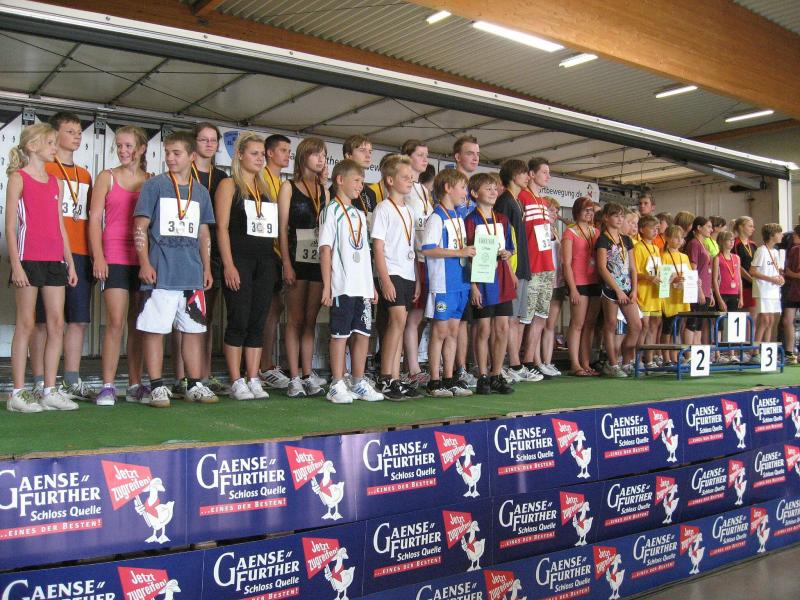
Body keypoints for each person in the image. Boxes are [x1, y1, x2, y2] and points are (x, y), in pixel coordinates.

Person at [133, 130, 218, 408]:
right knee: (155, 329)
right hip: (161, 273)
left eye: (176, 153)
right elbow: (140, 226)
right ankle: (157, 386)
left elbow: (204, 233)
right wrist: (145, 262)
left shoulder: (201, 192)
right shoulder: (155, 185)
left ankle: (194, 384)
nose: (170, 157)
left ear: (192, 156)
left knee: (193, 330)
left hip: (192, 274)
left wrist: (207, 268)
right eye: (167, 152)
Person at [5, 123, 79, 412]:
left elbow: (60, 226)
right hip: (28, 259)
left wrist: (69, 262)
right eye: (50, 143)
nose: (55, 148)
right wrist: (16, 265)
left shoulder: (55, 182)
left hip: (54, 261)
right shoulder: (18, 178)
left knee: (56, 324)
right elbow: (11, 227)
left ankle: (49, 389)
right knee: (25, 323)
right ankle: (17, 393)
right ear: (32, 146)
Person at [29, 112, 95, 402]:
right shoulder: (44, 168)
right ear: (55, 135)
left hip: (80, 252)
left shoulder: (85, 174)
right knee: (43, 321)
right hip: (48, 251)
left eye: (79, 132)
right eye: (70, 131)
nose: (77, 136)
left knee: (78, 320)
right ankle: (40, 381)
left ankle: (71, 379)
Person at [88, 126, 150, 407]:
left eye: (128, 146)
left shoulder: (150, 180)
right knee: (115, 322)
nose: (123, 151)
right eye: (119, 145)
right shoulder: (107, 177)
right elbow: (94, 220)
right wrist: (98, 256)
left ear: (141, 149)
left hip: (141, 259)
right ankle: (108, 386)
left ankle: (135, 384)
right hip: (113, 256)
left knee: (138, 324)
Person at [215, 132, 276, 400]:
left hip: (265, 260)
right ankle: (236, 379)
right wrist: (228, 265)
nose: (260, 158)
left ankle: (253, 377)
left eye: (262, 154)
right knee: (238, 318)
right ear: (239, 155)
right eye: (254, 153)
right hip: (239, 259)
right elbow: (221, 227)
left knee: (258, 320)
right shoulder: (229, 185)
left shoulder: (265, 189)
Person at [171, 122, 229, 398]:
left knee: (204, 316)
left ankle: (203, 375)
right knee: (180, 315)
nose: (209, 144)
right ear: (194, 143)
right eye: (203, 139)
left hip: (210, 251)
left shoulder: (222, 177)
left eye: (213, 140)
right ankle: (180, 376)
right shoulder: (180, 173)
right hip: (181, 249)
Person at [319, 159, 383, 404]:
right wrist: (327, 285)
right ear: (340, 180)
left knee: (363, 334)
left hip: (362, 286)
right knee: (340, 335)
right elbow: (325, 249)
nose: (360, 186)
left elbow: (365, 252)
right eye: (356, 180)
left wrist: (371, 285)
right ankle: (337, 383)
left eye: (362, 181)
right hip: (342, 285)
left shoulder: (359, 214)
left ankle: (358, 381)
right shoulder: (331, 211)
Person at [278, 137, 329, 398]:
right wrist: (286, 263)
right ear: (303, 157)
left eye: (324, 155)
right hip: (296, 259)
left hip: (318, 262)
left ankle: (308, 374)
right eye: (316, 154)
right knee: (295, 319)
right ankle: (294, 377)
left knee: (310, 320)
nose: (321, 159)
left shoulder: (324, 190)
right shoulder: (288, 187)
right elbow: (282, 229)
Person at [422, 168, 476, 397]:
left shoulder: (458, 217)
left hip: (460, 282)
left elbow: (461, 248)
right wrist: (459, 252)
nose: (465, 193)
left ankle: (449, 377)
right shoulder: (437, 217)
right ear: (447, 188)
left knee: (454, 331)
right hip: (443, 283)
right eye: (462, 188)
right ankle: (434, 381)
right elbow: (428, 249)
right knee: (440, 331)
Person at [371, 155, 420, 400]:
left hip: (407, 272)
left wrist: (417, 279)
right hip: (392, 272)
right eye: (405, 177)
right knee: (397, 321)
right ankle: (385, 377)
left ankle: (396, 377)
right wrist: (385, 279)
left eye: (411, 177)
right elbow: (378, 247)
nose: (410, 181)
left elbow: (411, 247)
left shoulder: (409, 210)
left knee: (401, 323)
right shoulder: (383, 208)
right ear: (390, 180)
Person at [465, 173, 515, 394]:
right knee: (483, 328)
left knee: (502, 328)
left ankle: (496, 373)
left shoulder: (502, 219)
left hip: (501, 277)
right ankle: (482, 375)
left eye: (495, 188)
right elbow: (466, 256)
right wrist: (473, 286)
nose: (494, 192)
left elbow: (510, 246)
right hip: (482, 279)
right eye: (488, 188)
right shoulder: (470, 220)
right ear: (475, 193)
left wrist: (507, 253)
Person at [495, 159, 541, 382]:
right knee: (508, 320)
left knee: (515, 319)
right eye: (523, 173)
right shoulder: (505, 201)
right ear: (513, 176)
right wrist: (509, 271)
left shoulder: (516, 202)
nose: (527, 177)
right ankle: (511, 364)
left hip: (520, 267)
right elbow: (502, 240)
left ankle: (513, 364)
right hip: (510, 269)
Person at [259, 133, 292, 389]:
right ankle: (263, 365)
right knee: (268, 309)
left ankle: (265, 363)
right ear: (269, 153)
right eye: (283, 150)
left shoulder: (281, 182)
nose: (287, 155)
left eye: (289, 151)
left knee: (275, 307)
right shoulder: (261, 178)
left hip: (278, 252)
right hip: (265, 252)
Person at [519, 157, 557, 378]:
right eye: (544, 172)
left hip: (547, 266)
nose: (548, 176)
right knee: (524, 317)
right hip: (531, 266)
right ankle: (517, 363)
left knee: (541, 315)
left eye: (549, 172)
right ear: (531, 174)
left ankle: (530, 360)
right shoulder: (523, 197)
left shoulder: (543, 202)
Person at [400, 139, 432, 386]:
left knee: (417, 317)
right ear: (407, 157)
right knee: (408, 317)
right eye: (419, 154)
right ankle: (411, 368)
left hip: (425, 257)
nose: (424, 159)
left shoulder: (423, 189)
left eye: (426, 155)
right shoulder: (405, 187)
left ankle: (412, 367)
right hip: (409, 259)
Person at [596, 202, 640, 377]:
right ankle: (612, 363)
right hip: (610, 289)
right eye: (616, 215)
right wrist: (617, 290)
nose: (620, 219)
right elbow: (602, 268)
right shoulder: (603, 240)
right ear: (606, 218)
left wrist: (634, 290)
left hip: (627, 288)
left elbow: (633, 268)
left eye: (622, 216)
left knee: (636, 325)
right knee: (611, 324)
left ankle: (626, 360)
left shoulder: (626, 240)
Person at [452, 136, 481, 387]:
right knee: (452, 322)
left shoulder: (474, 189)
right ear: (457, 157)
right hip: (452, 263)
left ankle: (462, 367)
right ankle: (450, 370)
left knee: (466, 320)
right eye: (470, 153)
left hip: (473, 261)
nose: (475, 157)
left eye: (477, 153)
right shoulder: (448, 187)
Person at [562, 196, 601, 376]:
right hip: (579, 282)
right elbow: (566, 263)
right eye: (586, 210)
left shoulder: (596, 232)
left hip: (595, 281)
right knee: (577, 324)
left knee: (590, 324)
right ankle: (575, 363)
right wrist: (572, 289)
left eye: (591, 210)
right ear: (577, 211)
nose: (589, 213)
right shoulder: (570, 233)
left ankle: (586, 363)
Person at [750, 223, 785, 355]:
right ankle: (755, 352)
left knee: (771, 321)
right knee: (764, 320)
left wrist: (780, 278)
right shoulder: (761, 251)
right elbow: (753, 271)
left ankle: (766, 351)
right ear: (771, 235)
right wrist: (771, 279)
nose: (782, 235)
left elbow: (775, 271)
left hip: (773, 291)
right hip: (763, 290)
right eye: (779, 233)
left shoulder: (775, 252)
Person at [634, 215, 663, 369]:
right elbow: (634, 273)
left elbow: (660, 271)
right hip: (643, 293)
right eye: (651, 228)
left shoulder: (656, 248)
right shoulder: (638, 248)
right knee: (644, 326)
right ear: (641, 229)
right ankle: (637, 359)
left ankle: (650, 360)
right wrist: (648, 277)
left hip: (655, 293)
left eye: (656, 228)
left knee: (653, 327)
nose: (655, 231)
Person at [660, 225, 691, 366]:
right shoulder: (664, 256)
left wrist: (695, 281)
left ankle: (675, 357)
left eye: (681, 238)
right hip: (669, 298)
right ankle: (666, 358)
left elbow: (689, 275)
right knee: (667, 328)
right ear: (667, 238)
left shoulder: (684, 257)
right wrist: (673, 280)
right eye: (676, 237)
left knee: (677, 329)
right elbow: (662, 279)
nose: (679, 240)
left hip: (682, 297)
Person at [541, 197, 565, 377]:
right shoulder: (540, 229)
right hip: (544, 280)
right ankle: (536, 361)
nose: (554, 214)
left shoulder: (556, 231)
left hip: (557, 281)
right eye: (551, 210)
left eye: (556, 211)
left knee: (551, 325)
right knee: (539, 324)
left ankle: (548, 361)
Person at [712, 231, 743, 364]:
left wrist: (741, 296)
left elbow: (739, 278)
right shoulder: (717, 258)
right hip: (722, 293)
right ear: (722, 242)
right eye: (729, 240)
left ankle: (732, 354)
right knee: (719, 325)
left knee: (733, 324)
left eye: (732, 240)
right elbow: (714, 280)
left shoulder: (736, 258)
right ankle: (717, 354)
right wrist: (719, 299)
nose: (731, 243)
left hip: (734, 294)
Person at [684, 217, 715, 346]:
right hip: (697, 289)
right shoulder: (694, 244)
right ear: (699, 228)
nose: (711, 230)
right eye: (708, 226)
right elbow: (693, 269)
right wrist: (699, 290)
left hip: (706, 289)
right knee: (692, 322)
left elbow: (707, 270)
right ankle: (688, 354)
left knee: (699, 325)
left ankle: (696, 352)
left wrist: (710, 292)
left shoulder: (704, 244)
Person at [733, 216, 758, 354]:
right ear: (741, 227)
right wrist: (750, 278)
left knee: (752, 318)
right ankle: (738, 349)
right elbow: (737, 265)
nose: (753, 229)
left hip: (753, 285)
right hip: (741, 285)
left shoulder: (753, 245)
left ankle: (749, 349)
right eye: (750, 226)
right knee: (740, 318)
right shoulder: (735, 244)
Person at [782, 225, 800, 365]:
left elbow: (791, 272)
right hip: (792, 291)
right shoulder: (793, 250)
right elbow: (787, 270)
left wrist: (791, 274)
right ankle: (789, 353)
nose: (792, 236)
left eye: (795, 234)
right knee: (787, 320)